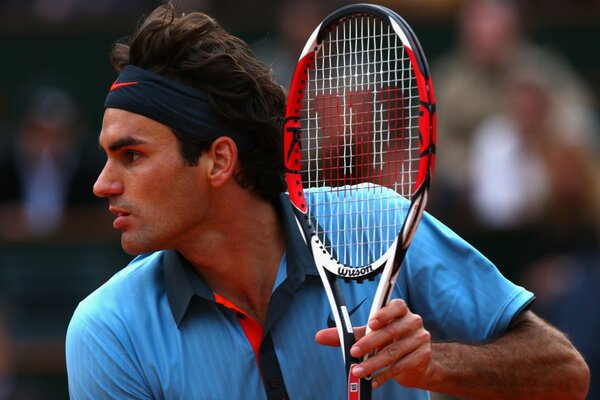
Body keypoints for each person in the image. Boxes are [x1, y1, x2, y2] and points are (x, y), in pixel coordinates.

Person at [65, 3, 590, 399]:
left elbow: (566, 373)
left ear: (219, 161)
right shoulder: (109, 330)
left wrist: (434, 364)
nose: (102, 183)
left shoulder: (378, 222)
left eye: (131, 155)